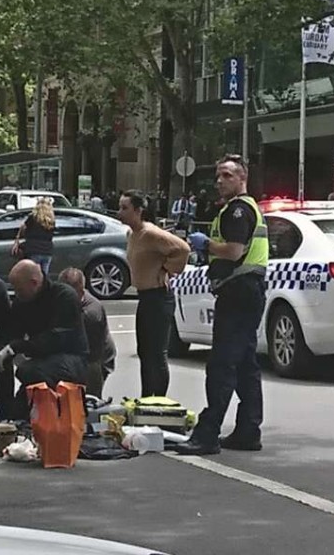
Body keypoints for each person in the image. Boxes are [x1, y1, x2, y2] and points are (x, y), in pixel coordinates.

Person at [177, 154, 269, 456]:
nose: (219, 181)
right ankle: (248, 430)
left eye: (227, 175)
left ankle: (208, 433)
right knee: (244, 365)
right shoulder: (237, 209)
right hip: (244, 292)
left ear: (242, 178)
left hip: (239, 293)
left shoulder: (239, 211)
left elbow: (234, 251)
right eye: (218, 175)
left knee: (221, 365)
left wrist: (206, 245)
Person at [0, 260, 88, 420]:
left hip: (71, 358)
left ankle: (55, 416)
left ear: (34, 283)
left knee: (28, 370)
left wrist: (18, 346)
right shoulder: (23, 301)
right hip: (42, 361)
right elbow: (11, 332)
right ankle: (5, 415)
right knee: (15, 412)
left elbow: (56, 338)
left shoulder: (64, 296)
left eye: (19, 290)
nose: (16, 294)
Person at [119, 189, 190, 397]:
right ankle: (146, 397)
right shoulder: (132, 234)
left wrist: (167, 268)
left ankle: (158, 401)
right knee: (145, 352)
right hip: (144, 297)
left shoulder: (151, 233)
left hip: (159, 297)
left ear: (139, 210)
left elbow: (182, 249)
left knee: (157, 354)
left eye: (125, 208)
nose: (120, 212)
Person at [59, 268, 116, 400]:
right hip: (75, 351)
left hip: (95, 356)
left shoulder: (90, 314)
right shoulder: (60, 299)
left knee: (87, 398)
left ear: (80, 291)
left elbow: (90, 353)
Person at [12, 198, 55, 276]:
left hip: (33, 250)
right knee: (44, 276)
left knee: (33, 275)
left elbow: (23, 227)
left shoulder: (33, 218)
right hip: (47, 251)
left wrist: (17, 239)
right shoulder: (51, 221)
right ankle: (43, 287)